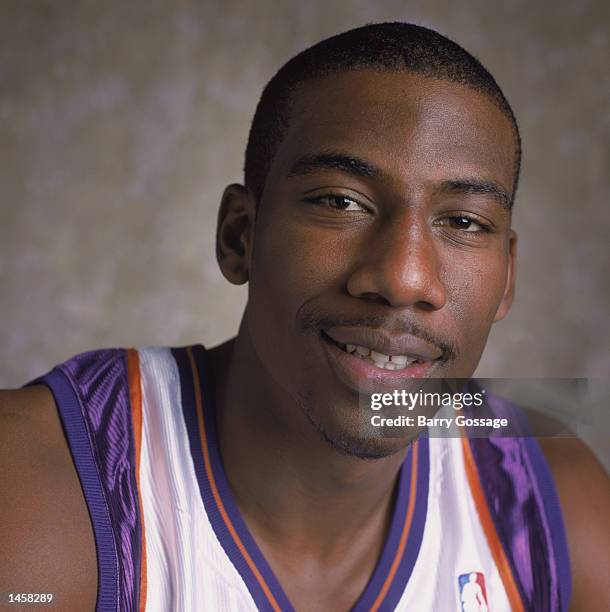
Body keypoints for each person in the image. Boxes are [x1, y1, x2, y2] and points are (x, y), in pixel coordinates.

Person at [1, 22, 609, 612]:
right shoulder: (38, 483)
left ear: (507, 275)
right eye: (341, 202)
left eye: (464, 221)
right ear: (241, 235)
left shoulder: (550, 492)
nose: (404, 278)